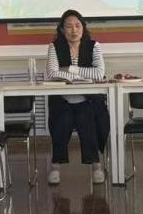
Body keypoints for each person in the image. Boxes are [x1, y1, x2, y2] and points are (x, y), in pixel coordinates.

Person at [45, 9, 110, 185]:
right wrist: (83, 74)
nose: (74, 30)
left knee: (87, 118)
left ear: (83, 27)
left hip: (88, 100)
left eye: (78, 26)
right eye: (69, 26)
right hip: (62, 100)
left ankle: (96, 166)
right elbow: (52, 73)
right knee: (62, 120)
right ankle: (55, 167)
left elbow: (99, 74)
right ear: (62, 29)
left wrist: (70, 69)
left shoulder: (94, 46)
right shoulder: (54, 47)